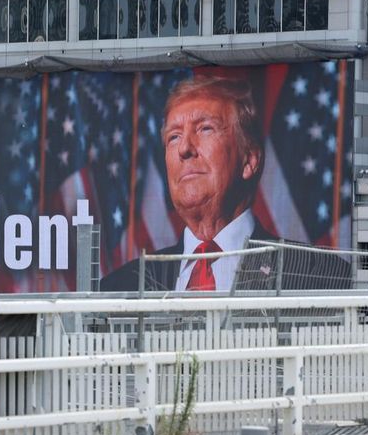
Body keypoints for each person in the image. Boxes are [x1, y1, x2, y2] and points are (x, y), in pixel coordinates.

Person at [100, 76, 350, 293]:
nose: (185, 149)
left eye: (205, 129)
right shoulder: (120, 288)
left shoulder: (320, 276)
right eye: (174, 137)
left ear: (249, 160)